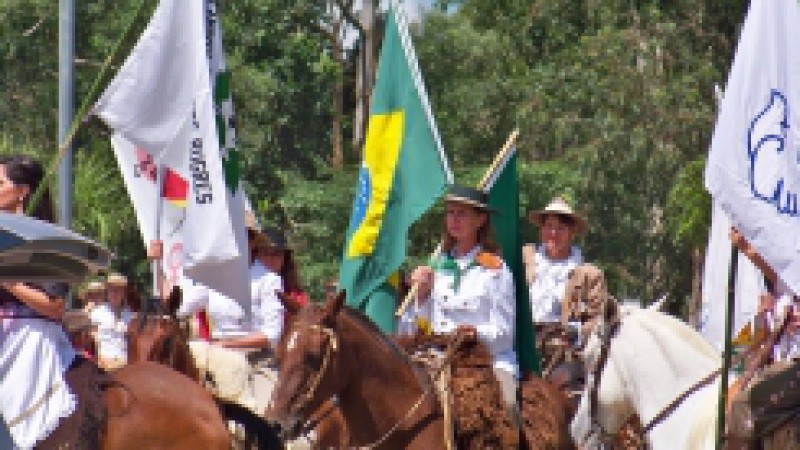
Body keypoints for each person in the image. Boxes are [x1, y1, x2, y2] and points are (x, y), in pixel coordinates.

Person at [399, 185, 518, 413]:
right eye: (450, 213)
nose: (454, 220)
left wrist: (475, 333)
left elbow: (505, 334)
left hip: (488, 362)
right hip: (438, 360)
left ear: (480, 219)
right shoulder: (436, 266)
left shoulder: (495, 270)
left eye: (462, 213)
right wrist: (421, 298)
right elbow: (417, 329)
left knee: (508, 406)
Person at [0, 155, 77, 448]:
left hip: (27, 339)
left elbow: (55, 307)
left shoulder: (48, 241)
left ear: (23, 191)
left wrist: (10, 282)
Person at [259, 226, 308, 319]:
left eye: (276, 253)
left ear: (284, 258)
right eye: (265, 253)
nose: (270, 259)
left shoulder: (297, 297)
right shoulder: (246, 289)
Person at [89, 273, 135, 370]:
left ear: (123, 293)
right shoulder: (97, 312)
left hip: (125, 363)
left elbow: (132, 341)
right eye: (112, 290)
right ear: (107, 291)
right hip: (103, 362)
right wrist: (99, 359)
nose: (115, 293)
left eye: (119, 290)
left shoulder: (129, 315)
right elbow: (93, 339)